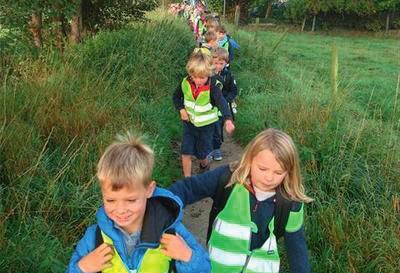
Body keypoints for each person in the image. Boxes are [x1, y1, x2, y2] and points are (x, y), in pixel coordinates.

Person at [169, 128, 313, 273]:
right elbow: (188, 188)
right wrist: (160, 205)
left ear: (289, 171)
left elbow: (297, 251)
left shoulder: (290, 202)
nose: (269, 178)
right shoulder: (227, 179)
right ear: (249, 159)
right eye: (262, 169)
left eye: (278, 172)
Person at [67, 132, 210, 273]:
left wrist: (187, 256)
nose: (121, 210)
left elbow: (205, 268)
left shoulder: (171, 231)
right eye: (110, 200)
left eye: (130, 200)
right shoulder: (94, 237)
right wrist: (82, 268)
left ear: (149, 190)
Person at [172, 52, 235, 177]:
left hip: (207, 126)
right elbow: (176, 97)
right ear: (190, 73)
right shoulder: (185, 83)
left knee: (202, 154)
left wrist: (228, 119)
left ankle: (204, 165)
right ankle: (188, 181)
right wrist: (181, 109)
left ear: (209, 74)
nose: (197, 80)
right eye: (194, 76)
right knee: (186, 152)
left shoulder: (213, 87)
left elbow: (221, 102)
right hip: (189, 124)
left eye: (202, 77)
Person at [209, 48, 238, 161]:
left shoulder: (228, 75)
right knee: (211, 127)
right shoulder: (208, 74)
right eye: (215, 63)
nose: (218, 66)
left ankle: (216, 148)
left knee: (218, 128)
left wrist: (226, 100)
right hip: (210, 106)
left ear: (226, 63)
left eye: (221, 63)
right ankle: (209, 149)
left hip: (223, 107)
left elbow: (233, 91)